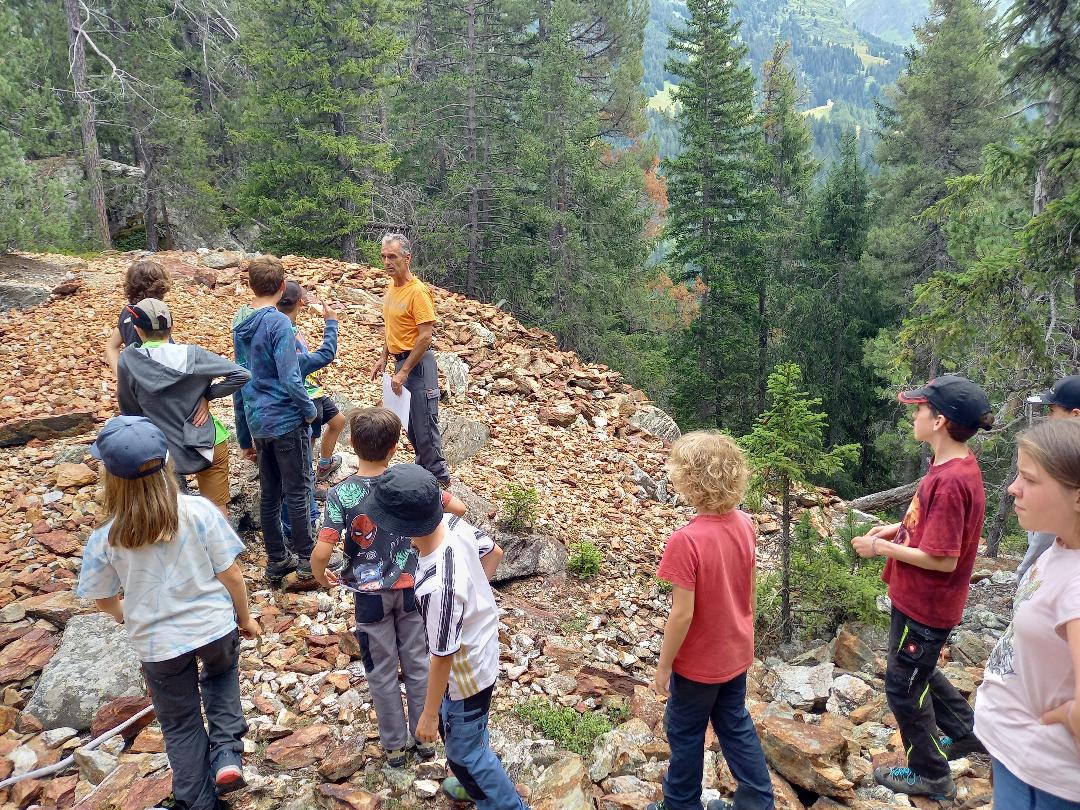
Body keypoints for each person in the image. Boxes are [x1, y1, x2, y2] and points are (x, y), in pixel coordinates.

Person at [76, 416, 259, 810]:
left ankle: (197, 801)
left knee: (180, 724)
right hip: (213, 627)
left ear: (109, 477)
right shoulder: (199, 511)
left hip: (158, 645)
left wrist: (126, 614)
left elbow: (103, 599)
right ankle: (227, 755)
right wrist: (244, 618)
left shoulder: (105, 539)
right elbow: (232, 575)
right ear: (168, 461)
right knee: (222, 678)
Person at [851, 375, 995, 799]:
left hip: (927, 606)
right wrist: (897, 527)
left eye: (919, 409)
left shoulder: (951, 481)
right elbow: (935, 527)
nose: (914, 414)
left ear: (939, 420)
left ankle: (931, 773)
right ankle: (967, 732)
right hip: (918, 600)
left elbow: (944, 558)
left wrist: (880, 548)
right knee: (921, 670)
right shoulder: (951, 465)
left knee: (904, 685)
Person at [310, 408, 473, 768]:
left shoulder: (342, 493)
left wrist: (320, 573)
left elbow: (323, 549)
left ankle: (395, 746)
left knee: (381, 670)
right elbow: (457, 507)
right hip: (412, 589)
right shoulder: (410, 483)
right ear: (396, 445)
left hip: (368, 596)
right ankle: (425, 738)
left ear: (352, 444)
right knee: (417, 661)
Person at [362, 464, 519, 809]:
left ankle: (500, 800)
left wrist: (429, 714)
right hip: (482, 651)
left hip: (466, 675)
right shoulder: (452, 524)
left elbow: (442, 655)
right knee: (466, 734)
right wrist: (475, 594)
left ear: (400, 526)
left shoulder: (439, 586)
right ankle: (475, 783)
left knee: (464, 753)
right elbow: (494, 552)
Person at [648, 431, 774, 810]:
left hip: (698, 662)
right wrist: (743, 629)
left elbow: (682, 613)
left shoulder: (686, 541)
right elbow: (749, 588)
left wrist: (664, 665)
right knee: (734, 722)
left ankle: (680, 804)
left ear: (689, 481)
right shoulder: (745, 524)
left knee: (685, 733)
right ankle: (758, 801)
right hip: (735, 652)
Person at [974, 418, 1080, 808]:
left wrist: (1070, 717)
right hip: (1019, 761)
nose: (1012, 488)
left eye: (1030, 480)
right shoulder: (1062, 546)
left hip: (1044, 779)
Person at [116, 298, 250, 516]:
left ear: (138, 329)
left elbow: (130, 413)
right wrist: (207, 395)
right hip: (207, 441)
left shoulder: (128, 361)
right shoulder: (192, 355)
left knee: (171, 511)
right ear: (172, 327)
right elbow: (242, 374)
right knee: (217, 510)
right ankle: (220, 549)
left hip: (162, 449)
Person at [232, 255, 317, 583]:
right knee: (296, 491)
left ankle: (276, 560)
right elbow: (290, 377)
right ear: (282, 287)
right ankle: (308, 561)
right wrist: (309, 411)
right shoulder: (279, 322)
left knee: (270, 493)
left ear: (250, 285)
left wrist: (243, 435)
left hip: (258, 423)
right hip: (285, 420)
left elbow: (238, 381)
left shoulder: (241, 328)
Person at [368, 233, 450, 486]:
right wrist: (384, 357)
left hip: (418, 364)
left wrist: (404, 371)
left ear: (407, 257)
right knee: (411, 426)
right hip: (399, 361)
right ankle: (424, 475)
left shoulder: (418, 292)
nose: (387, 262)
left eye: (392, 256)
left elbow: (425, 337)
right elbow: (392, 327)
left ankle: (439, 478)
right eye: (383, 257)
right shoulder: (392, 288)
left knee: (424, 425)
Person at [275, 281, 339, 545]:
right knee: (300, 470)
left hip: (291, 403)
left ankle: (289, 528)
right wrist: (331, 323)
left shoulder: (271, 326)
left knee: (337, 421)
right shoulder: (284, 332)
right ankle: (304, 535)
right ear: (300, 303)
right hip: (299, 404)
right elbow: (323, 355)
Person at [1018, 375, 1080, 581]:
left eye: (1052, 411)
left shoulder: (1066, 462)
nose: (1048, 418)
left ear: (1075, 414)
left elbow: (1047, 531)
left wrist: (1023, 577)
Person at [105, 259, 172, 376]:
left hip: (137, 382)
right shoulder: (161, 315)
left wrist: (121, 378)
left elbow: (111, 346)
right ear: (162, 288)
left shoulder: (127, 312)